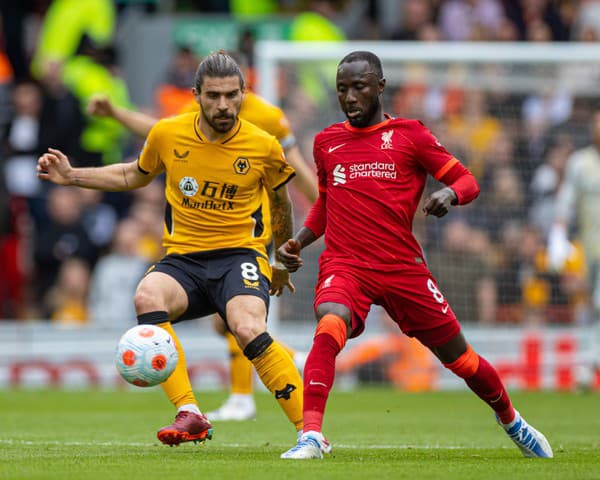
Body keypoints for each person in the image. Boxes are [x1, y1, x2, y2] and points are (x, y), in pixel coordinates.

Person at [277, 51, 553, 460]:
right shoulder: (327, 142)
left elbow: (466, 180)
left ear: (381, 88)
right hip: (347, 263)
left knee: (460, 360)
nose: (349, 97)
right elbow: (326, 204)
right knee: (330, 320)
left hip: (401, 267)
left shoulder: (411, 135)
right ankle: (311, 436)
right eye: (342, 90)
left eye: (359, 87)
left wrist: (449, 193)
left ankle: (511, 419)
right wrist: (299, 240)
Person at [37, 51, 304, 446]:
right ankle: (190, 412)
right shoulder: (168, 133)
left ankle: (310, 432)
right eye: (213, 96)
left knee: (246, 327)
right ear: (196, 95)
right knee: (147, 295)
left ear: (244, 93)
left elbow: (281, 205)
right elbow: (133, 173)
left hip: (240, 255)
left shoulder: (264, 145)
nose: (224, 105)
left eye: (232, 95)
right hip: (184, 259)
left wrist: (280, 262)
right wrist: (74, 175)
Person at [548, 106, 600, 386]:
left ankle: (588, 363)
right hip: (590, 249)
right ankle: (588, 362)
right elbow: (566, 202)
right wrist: (558, 236)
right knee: (590, 307)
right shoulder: (580, 163)